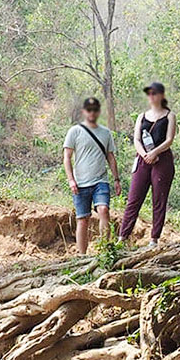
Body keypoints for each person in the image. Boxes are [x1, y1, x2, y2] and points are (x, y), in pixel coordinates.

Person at [120, 82, 177, 244]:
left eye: (155, 93)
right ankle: (122, 237)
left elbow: (169, 139)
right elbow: (137, 139)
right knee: (134, 198)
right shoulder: (142, 116)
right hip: (143, 159)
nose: (152, 96)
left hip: (162, 159)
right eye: (149, 93)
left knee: (159, 199)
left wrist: (155, 152)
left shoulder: (169, 116)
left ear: (162, 95)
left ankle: (154, 238)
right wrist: (144, 154)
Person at [63, 96, 121, 254]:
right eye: (89, 110)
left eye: (95, 110)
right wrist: (71, 180)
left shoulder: (105, 133)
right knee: (83, 219)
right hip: (80, 183)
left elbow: (111, 157)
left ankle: (105, 250)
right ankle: (82, 257)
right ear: (84, 112)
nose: (92, 113)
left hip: (100, 181)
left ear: (98, 112)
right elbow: (67, 157)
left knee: (103, 210)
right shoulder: (75, 131)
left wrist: (116, 179)